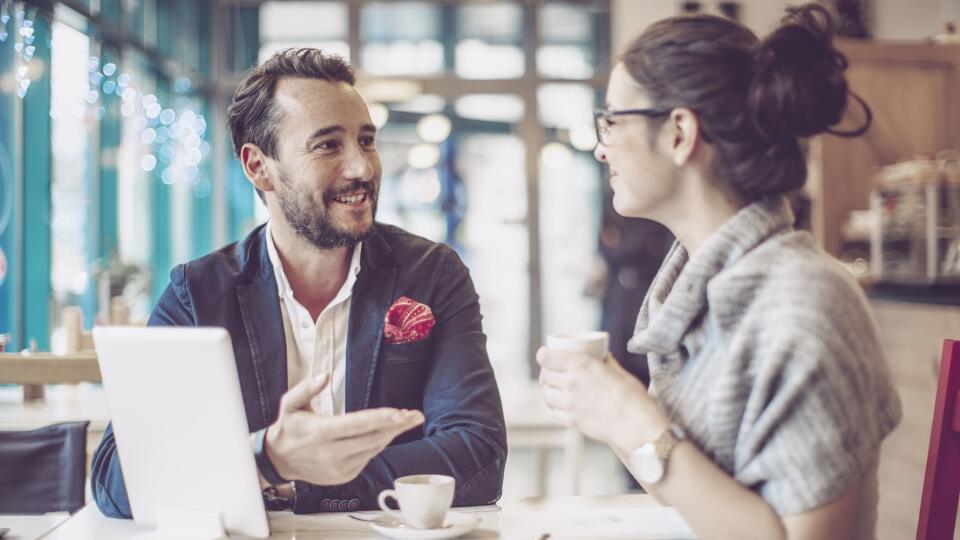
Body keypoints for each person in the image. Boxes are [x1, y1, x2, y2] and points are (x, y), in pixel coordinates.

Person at [537, 5, 901, 540]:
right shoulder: (699, 292)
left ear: (680, 132)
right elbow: (695, 497)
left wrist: (631, 416)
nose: (600, 145)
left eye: (613, 119)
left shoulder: (803, 302)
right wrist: (605, 407)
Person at [91, 48, 506, 517]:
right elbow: (116, 480)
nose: (362, 168)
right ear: (258, 166)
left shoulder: (431, 273)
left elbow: (480, 457)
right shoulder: (198, 294)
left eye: (366, 140)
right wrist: (268, 457)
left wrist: (298, 481)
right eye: (328, 145)